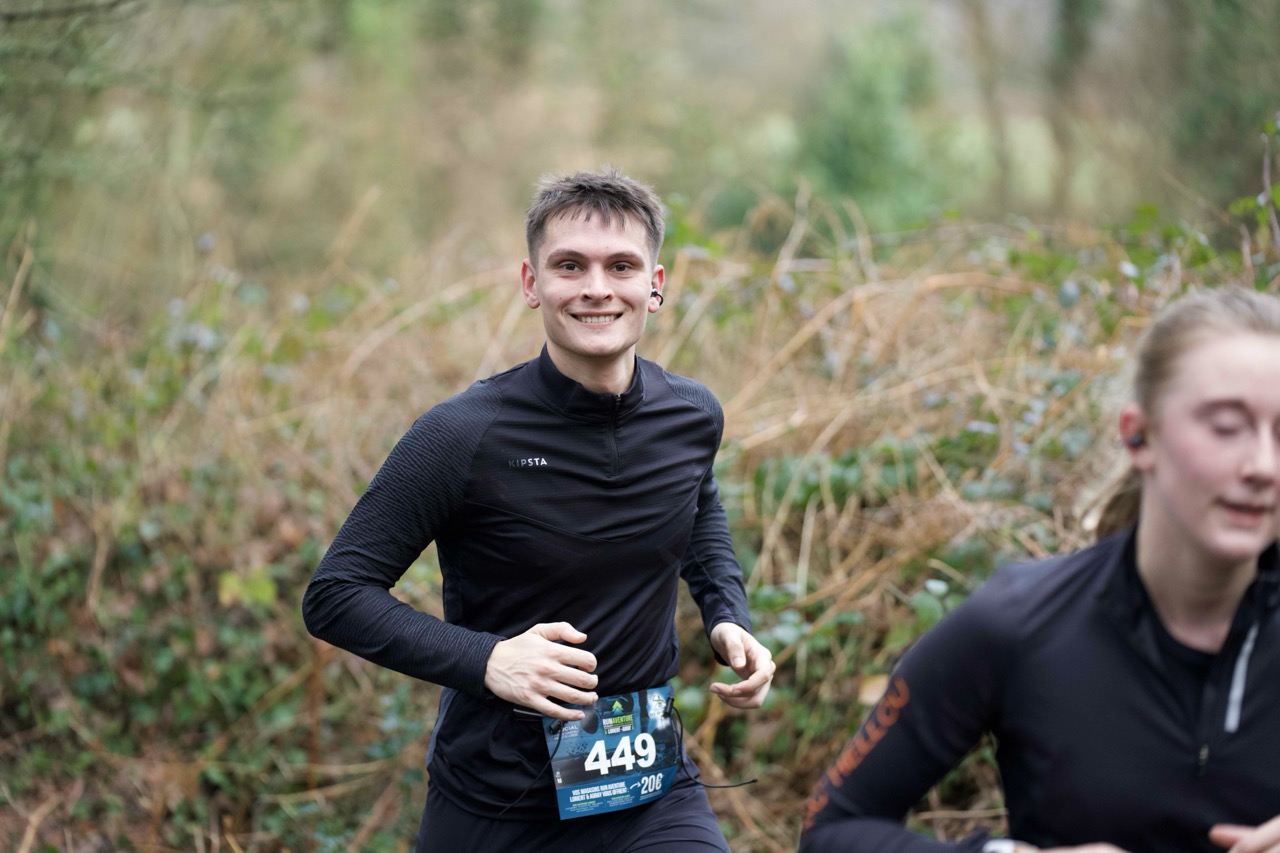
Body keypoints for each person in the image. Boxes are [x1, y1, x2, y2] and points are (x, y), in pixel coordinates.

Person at [302, 167, 775, 851]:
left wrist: (728, 613)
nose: (596, 287)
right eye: (569, 265)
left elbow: (696, 509)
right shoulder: (462, 435)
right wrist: (489, 659)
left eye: (620, 266)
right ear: (532, 284)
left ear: (655, 285)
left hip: (649, 790)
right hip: (497, 803)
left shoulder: (692, 415)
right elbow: (336, 595)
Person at [800, 286, 1280, 853]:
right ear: (1138, 435)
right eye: (1226, 427)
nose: (1263, 465)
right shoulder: (1019, 623)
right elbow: (831, 830)